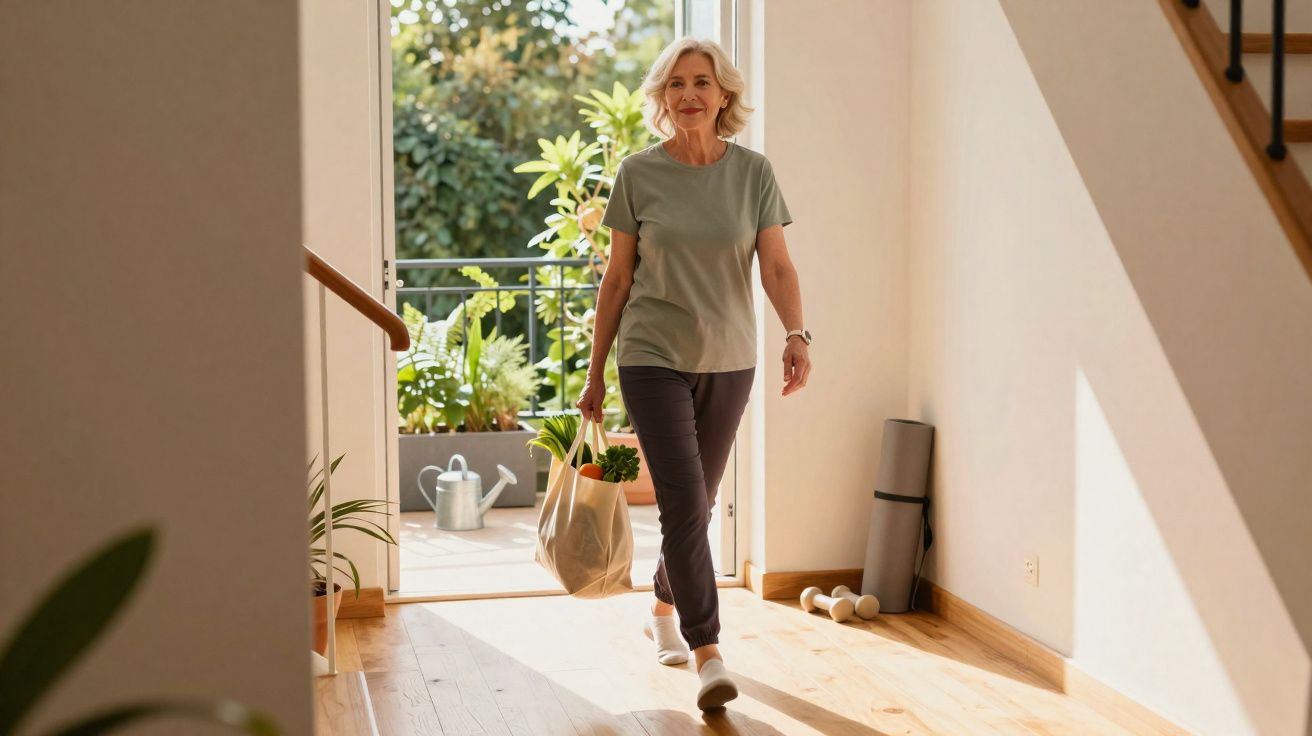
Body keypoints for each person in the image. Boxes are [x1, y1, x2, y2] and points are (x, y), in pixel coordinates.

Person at [576, 36, 812, 711]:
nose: (688, 95)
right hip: (651, 355)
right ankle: (708, 650)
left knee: (698, 504)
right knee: (684, 503)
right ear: (661, 96)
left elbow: (777, 266)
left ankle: (660, 604)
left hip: (731, 357)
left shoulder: (753, 173)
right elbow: (617, 280)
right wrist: (596, 373)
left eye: (701, 82)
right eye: (675, 84)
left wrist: (797, 334)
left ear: (724, 95)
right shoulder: (638, 174)